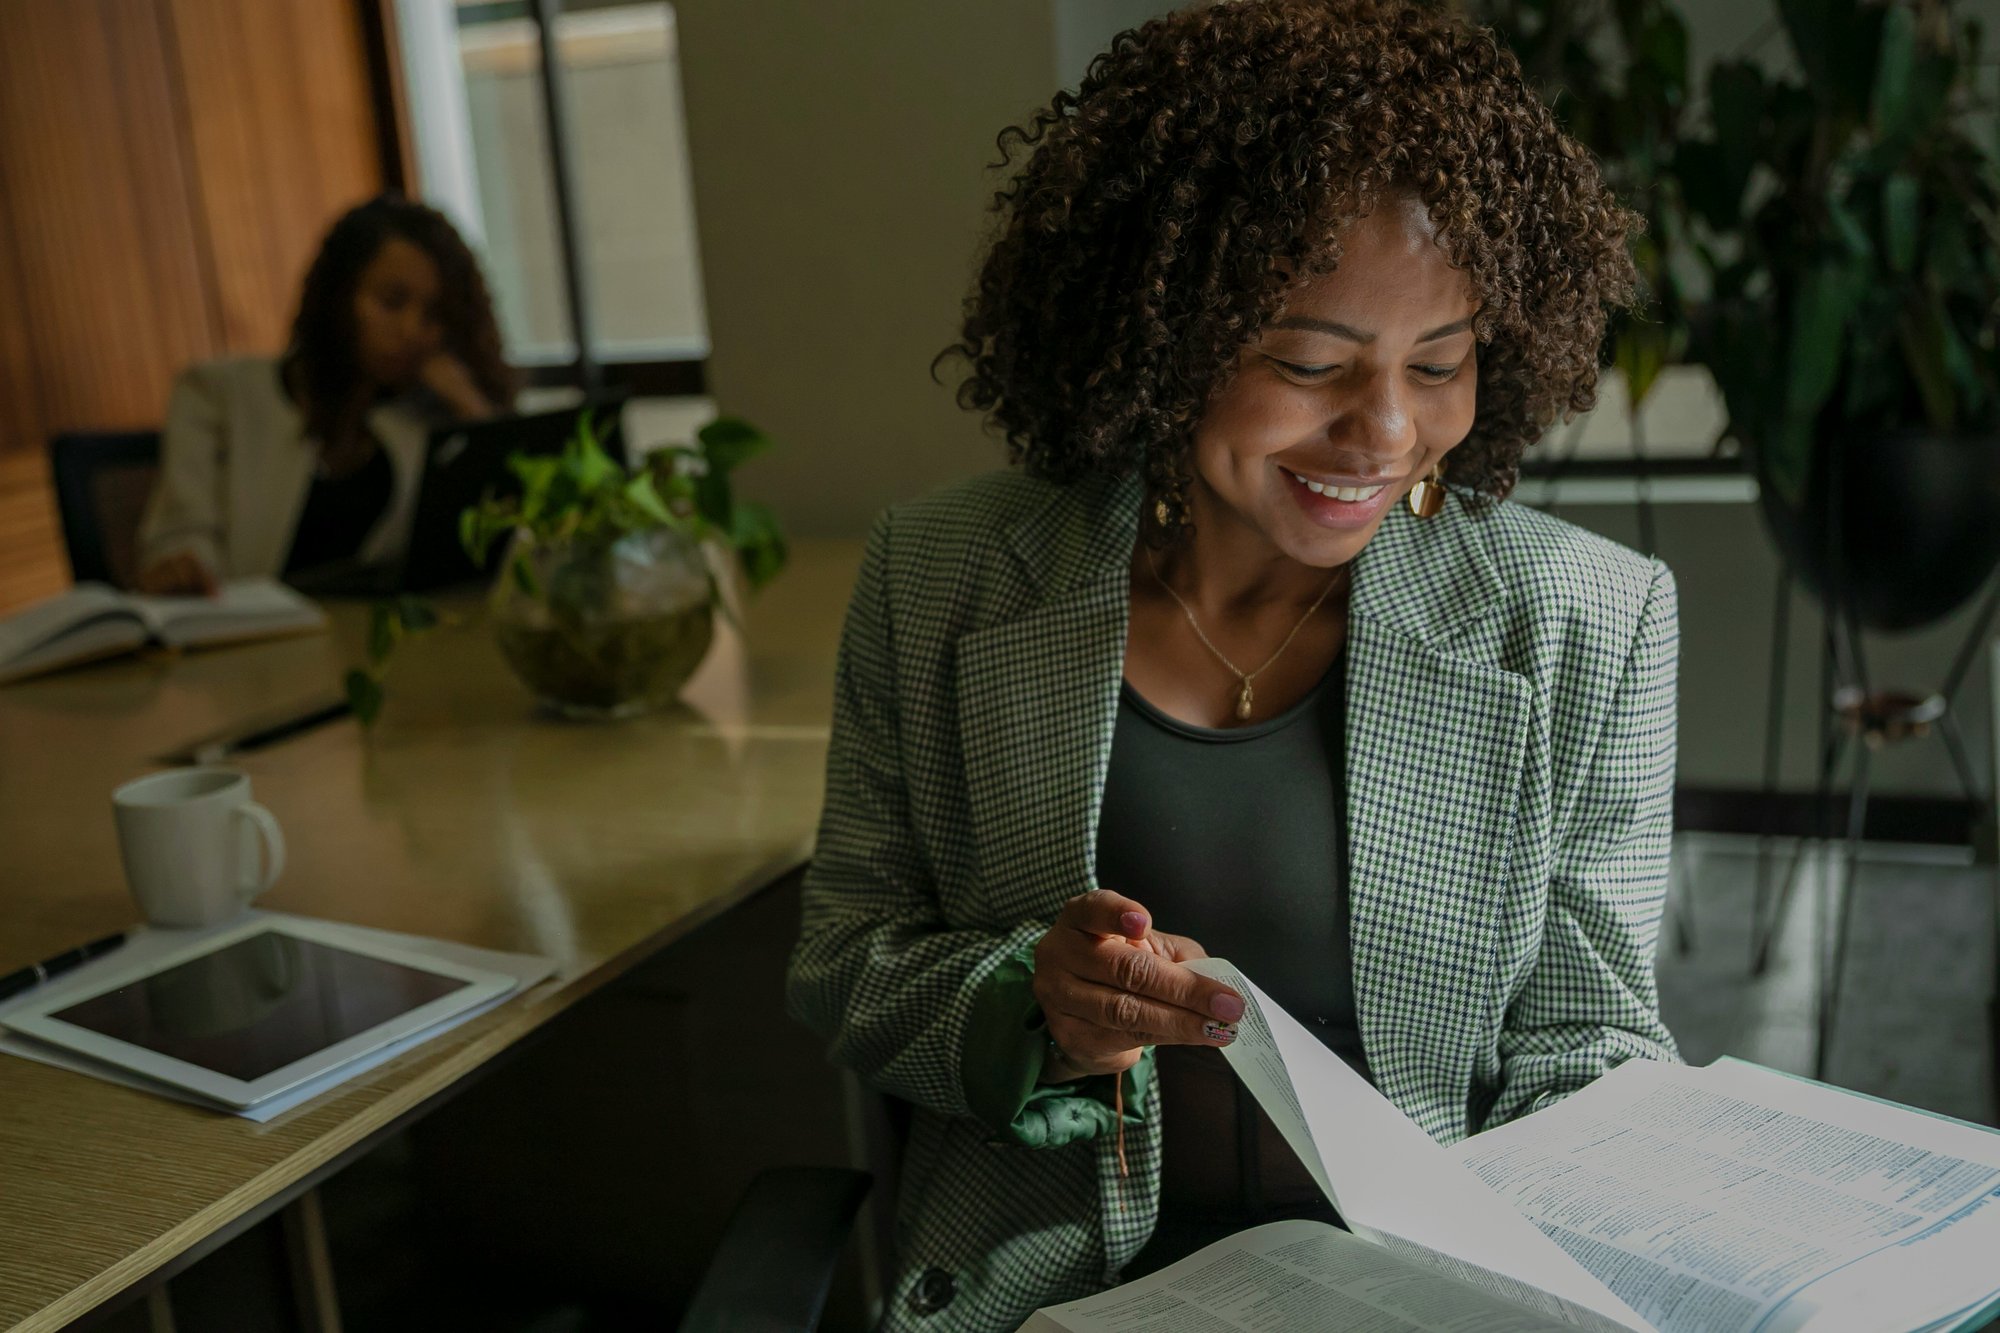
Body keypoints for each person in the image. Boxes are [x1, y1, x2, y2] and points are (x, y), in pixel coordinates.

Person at [787, 2, 1683, 1328]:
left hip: (1420, 1290)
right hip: (1053, 1286)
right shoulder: (947, 578)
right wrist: (1031, 1006)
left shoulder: (1588, 620)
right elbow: (847, 959)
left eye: (1442, 363)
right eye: (1308, 362)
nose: (1386, 431)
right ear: (1161, 334)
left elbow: (1588, 1046)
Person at [136, 195, 514, 594]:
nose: (411, 330)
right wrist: (182, 568)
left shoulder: (431, 416)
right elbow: (180, 537)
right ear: (339, 296)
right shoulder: (218, 394)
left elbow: (496, 547)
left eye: (434, 315)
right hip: (254, 639)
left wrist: (475, 416)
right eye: (392, 302)